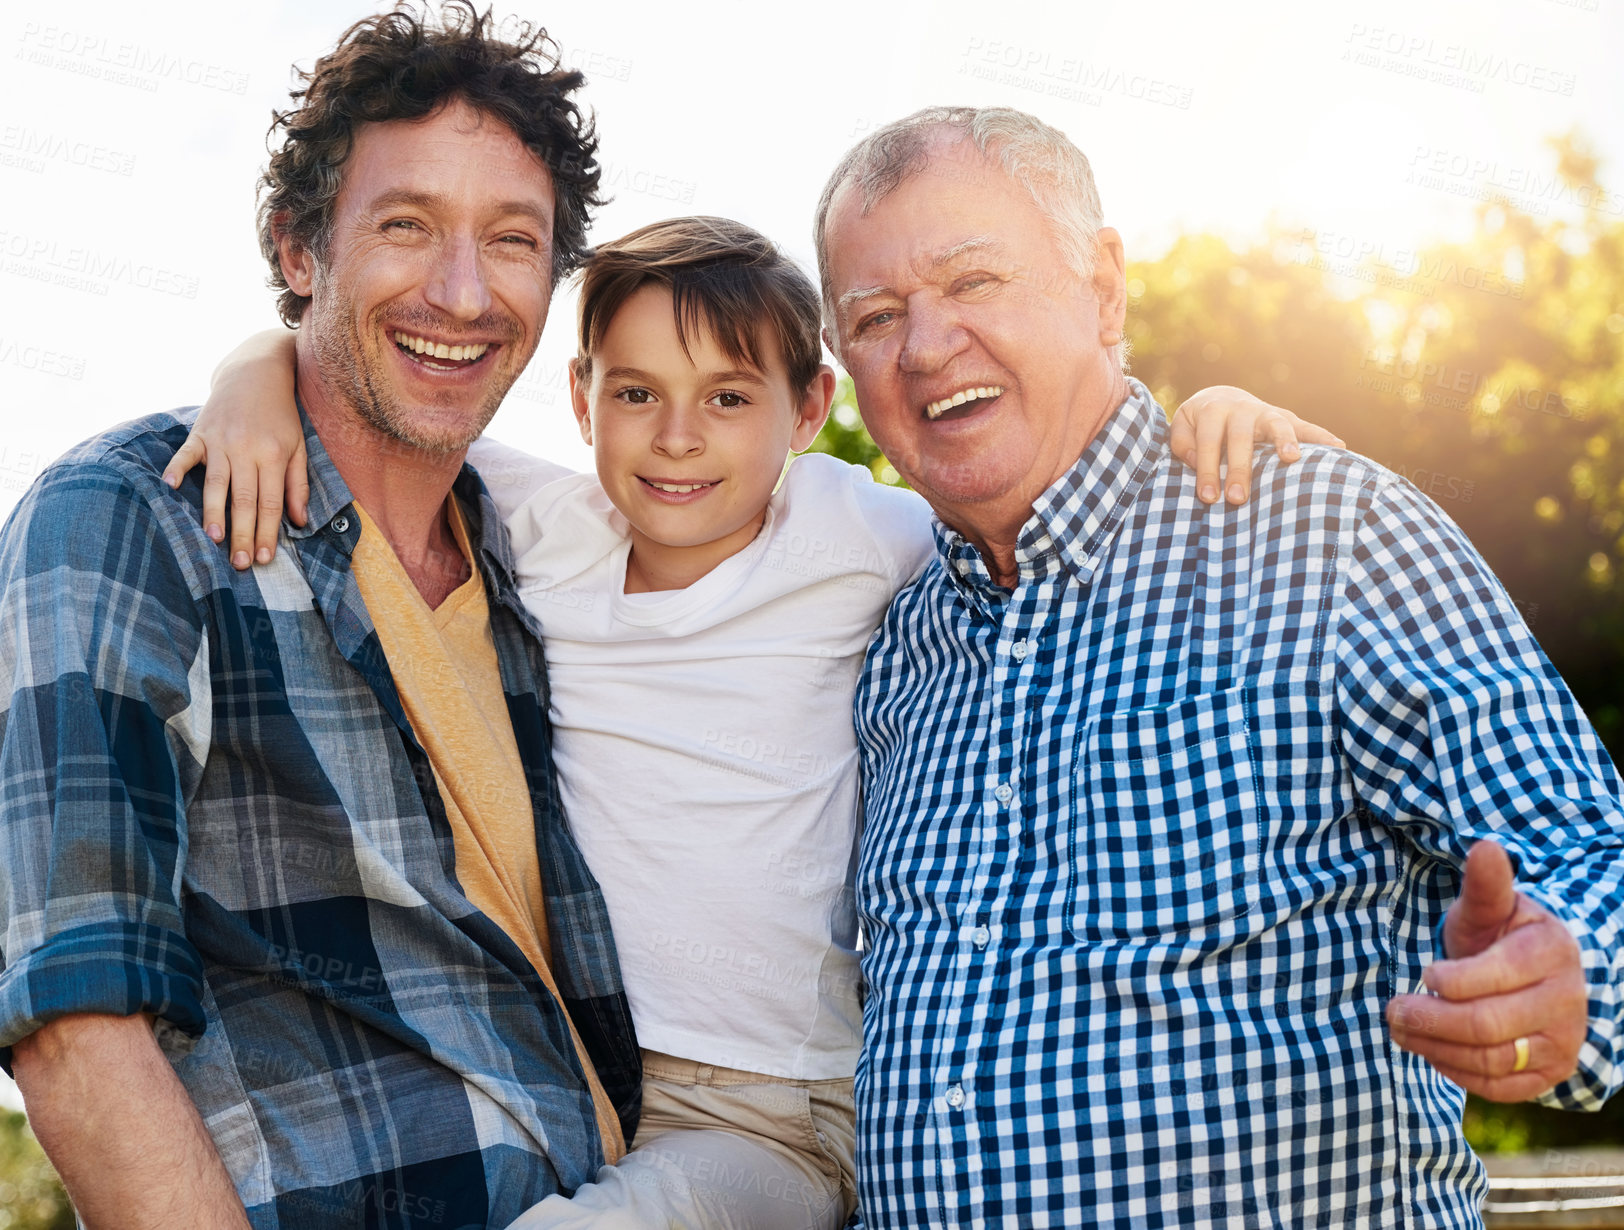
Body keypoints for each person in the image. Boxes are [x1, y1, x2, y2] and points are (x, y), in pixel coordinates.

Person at [171, 202, 1337, 1225]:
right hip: (577, 1078)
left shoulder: (857, 533)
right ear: (583, 400)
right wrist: (250, 377)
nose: (678, 437)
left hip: (782, 1116)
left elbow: (1042, 508)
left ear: (806, 404)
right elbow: (357, 412)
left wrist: (1210, 413)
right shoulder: (540, 529)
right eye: (637, 394)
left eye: (728, 397)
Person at [815, 103, 1624, 1228]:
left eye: (973, 282)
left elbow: (1580, 839)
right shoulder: (889, 642)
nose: (924, 343)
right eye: (874, 314)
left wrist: (1570, 972)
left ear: (1102, 288)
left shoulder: (1326, 536)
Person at [0, 8, 641, 1227]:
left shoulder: (534, 555)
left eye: (512, 241)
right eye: (407, 226)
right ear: (301, 251)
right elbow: (76, 1022)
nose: (463, 292)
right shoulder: (131, 521)